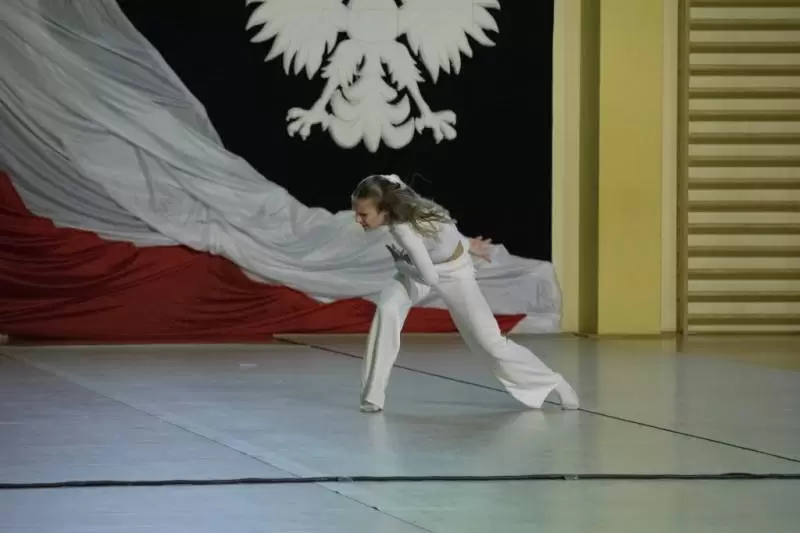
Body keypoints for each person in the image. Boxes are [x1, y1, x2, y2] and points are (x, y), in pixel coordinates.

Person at [351, 173, 579, 413]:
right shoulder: (392, 187)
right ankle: (372, 396)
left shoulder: (403, 229)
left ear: (385, 210)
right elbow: (442, 233)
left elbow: (431, 277)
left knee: (490, 343)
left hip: (451, 273)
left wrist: (401, 264)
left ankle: (554, 383)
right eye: (356, 212)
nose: (357, 219)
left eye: (363, 214)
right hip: (421, 267)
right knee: (388, 308)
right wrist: (468, 244)